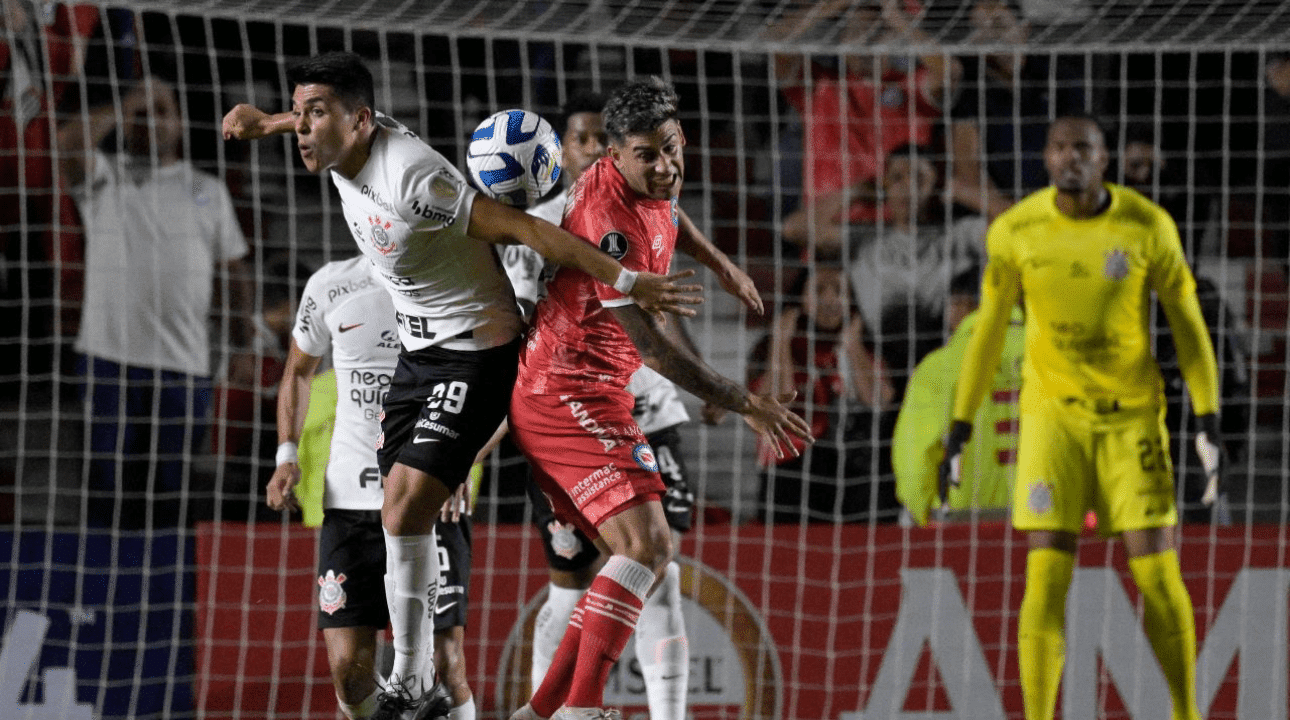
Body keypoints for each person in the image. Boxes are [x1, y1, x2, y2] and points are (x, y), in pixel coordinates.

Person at [221, 51, 700, 720]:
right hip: (423, 354)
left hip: (478, 352)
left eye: (314, 116)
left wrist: (625, 281)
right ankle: (437, 685)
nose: (302, 129)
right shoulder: (339, 144)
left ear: (360, 122)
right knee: (399, 509)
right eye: (299, 116)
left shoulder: (416, 181)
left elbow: (530, 229)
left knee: (407, 507)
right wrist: (262, 123)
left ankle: (422, 681)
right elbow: (309, 119)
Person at [506, 76, 814, 720]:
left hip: (592, 392)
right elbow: (659, 354)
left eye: (672, 147)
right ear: (613, 158)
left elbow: (673, 208)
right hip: (564, 390)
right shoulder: (607, 225)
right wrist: (745, 402)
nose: (666, 165)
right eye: (648, 155)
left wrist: (721, 262)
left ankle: (541, 713)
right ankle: (581, 706)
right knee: (647, 549)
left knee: (641, 553)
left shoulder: (646, 181)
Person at [939, 115, 1221, 720]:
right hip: (1052, 421)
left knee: (1157, 575)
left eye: (1084, 149)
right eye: (1061, 148)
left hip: (1132, 420)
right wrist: (960, 423)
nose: (1072, 159)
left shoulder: (1148, 226)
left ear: (1104, 159)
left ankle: (1188, 713)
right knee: (1046, 574)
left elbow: (1188, 322)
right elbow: (987, 331)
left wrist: (1208, 413)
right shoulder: (1016, 229)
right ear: (1046, 157)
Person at [498, 92, 697, 719]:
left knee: (654, 572)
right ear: (573, 153)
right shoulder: (546, 229)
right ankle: (562, 708)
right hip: (572, 415)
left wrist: (719, 266)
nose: (589, 153)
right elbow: (518, 335)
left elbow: (664, 312)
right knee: (575, 581)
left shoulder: (651, 196)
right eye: (578, 142)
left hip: (649, 412)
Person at [266, 256, 476, 720]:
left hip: (427, 501)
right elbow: (299, 371)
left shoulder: (455, 277)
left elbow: (493, 381)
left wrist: (460, 456)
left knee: (446, 662)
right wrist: (287, 456)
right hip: (349, 507)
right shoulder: (331, 284)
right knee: (350, 674)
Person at [59, 75, 252, 530]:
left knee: (173, 490)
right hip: (109, 360)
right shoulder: (105, 177)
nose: (152, 121)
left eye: (162, 111)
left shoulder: (207, 189)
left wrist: (243, 343)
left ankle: (168, 595)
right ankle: (104, 588)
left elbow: (233, 272)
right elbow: (67, 142)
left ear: (180, 123)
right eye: (142, 114)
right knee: (107, 488)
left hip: (184, 366)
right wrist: (128, 101)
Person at [767, 0, 961, 255]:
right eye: (856, 30)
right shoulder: (818, 86)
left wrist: (899, 19)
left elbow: (951, 72)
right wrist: (832, 5)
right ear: (842, 37)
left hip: (898, 235)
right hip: (830, 235)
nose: (864, 40)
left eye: (877, 30)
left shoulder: (911, 88)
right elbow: (775, 40)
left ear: (894, 37)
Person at [750, 263, 895, 523]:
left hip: (851, 468)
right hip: (790, 467)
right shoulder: (772, 346)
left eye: (839, 290)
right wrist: (781, 343)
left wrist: (853, 346)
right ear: (802, 299)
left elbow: (880, 400)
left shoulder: (862, 342)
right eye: (819, 290)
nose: (830, 299)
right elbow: (772, 408)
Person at [846, 143, 987, 398]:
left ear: (937, 186)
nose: (908, 188)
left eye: (919, 179)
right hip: (879, 373)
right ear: (884, 185)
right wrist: (853, 192)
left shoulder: (958, 235)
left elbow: (1020, 224)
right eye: (897, 178)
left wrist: (962, 192)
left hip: (946, 368)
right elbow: (794, 228)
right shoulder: (865, 240)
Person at [948, 0, 1085, 219]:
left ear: (1024, 29)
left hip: (1055, 205)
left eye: (999, 25)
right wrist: (1012, 215)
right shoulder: (969, 88)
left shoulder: (1059, 78)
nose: (991, 37)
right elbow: (968, 171)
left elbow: (1078, 153)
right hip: (995, 213)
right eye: (980, 30)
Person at [893, 305, 1022, 525]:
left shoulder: (938, 367)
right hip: (1047, 514)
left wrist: (922, 511)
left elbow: (915, 453)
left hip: (962, 518)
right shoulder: (1058, 360)